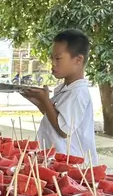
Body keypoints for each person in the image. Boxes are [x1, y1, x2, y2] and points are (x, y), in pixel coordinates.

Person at [20, 29, 97, 162]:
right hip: (54, 159)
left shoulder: (78, 93)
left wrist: (45, 100)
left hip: (72, 164)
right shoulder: (65, 89)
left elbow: (63, 130)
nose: (53, 63)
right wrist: (37, 100)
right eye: (52, 58)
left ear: (78, 60)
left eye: (58, 58)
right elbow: (52, 114)